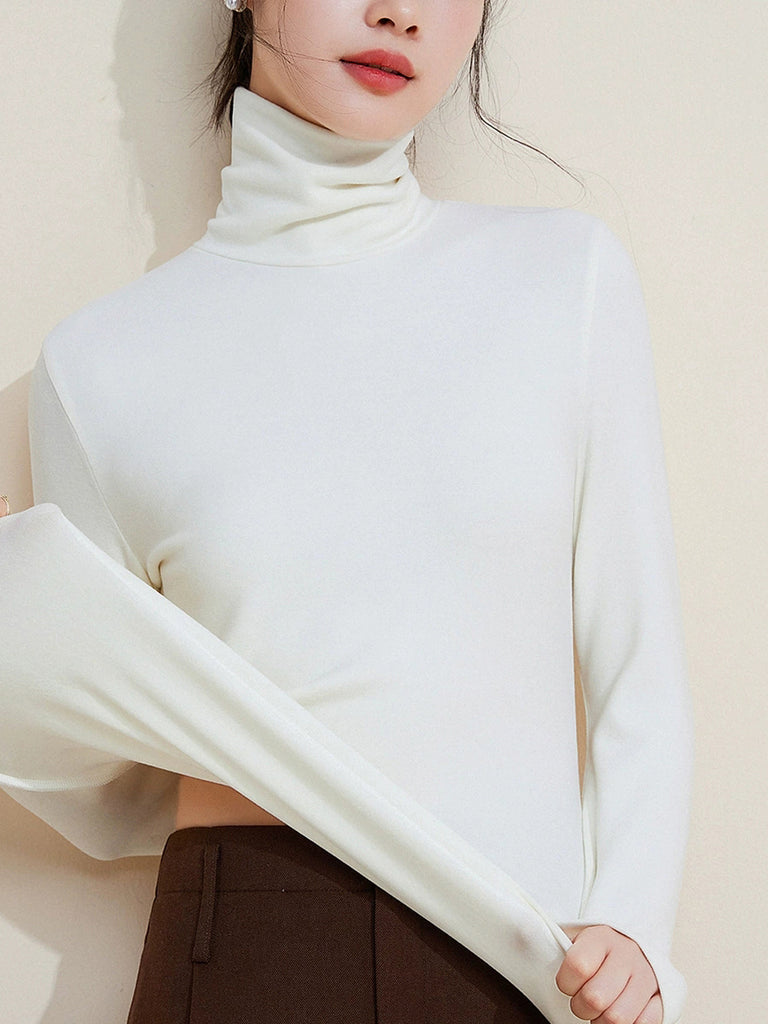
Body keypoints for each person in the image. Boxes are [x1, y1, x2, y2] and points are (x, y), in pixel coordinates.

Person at [0, 0, 693, 1022]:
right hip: (243, 944)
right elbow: (96, 750)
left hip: (524, 947)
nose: (398, 13)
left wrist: (633, 918)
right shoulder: (96, 364)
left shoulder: (565, 280)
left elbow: (638, 654)